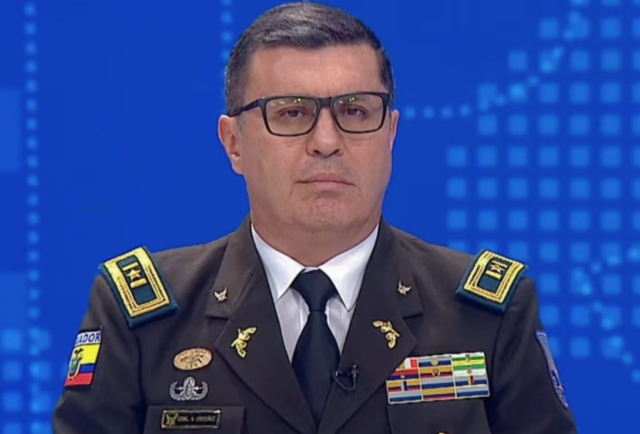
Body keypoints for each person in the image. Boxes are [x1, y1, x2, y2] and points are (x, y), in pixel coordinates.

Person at [52, 2, 578, 433]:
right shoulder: (143, 321)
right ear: (233, 143)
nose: (327, 141)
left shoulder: (487, 316)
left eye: (355, 111)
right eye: (291, 112)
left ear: (390, 135)